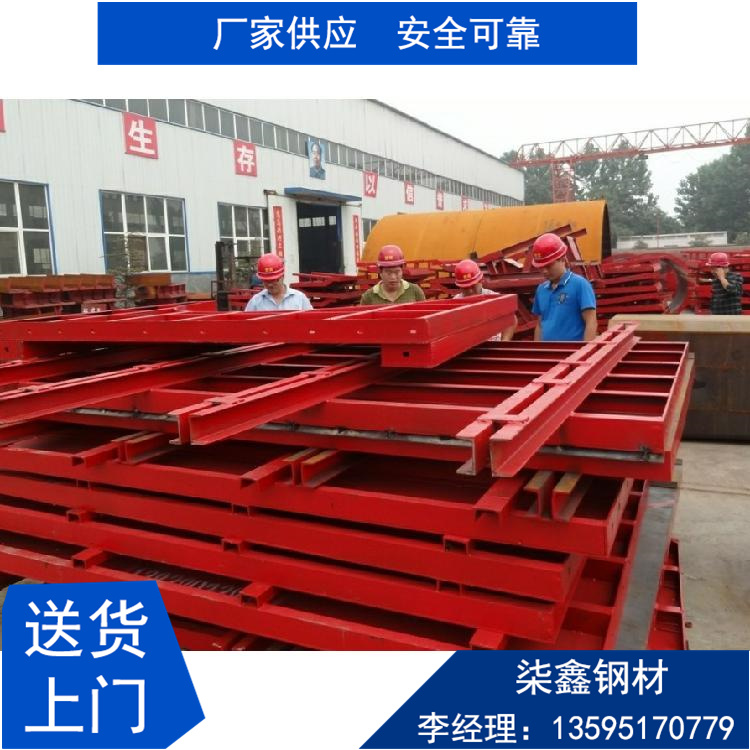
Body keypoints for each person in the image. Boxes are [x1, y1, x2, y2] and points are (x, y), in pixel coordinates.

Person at [530, 233, 597, 342]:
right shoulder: (541, 290)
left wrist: (586, 351)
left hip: (572, 351)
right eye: (541, 267)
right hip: (547, 352)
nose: (544, 271)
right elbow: (540, 325)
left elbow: (591, 322)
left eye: (548, 266)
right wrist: (537, 349)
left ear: (562, 259)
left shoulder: (580, 285)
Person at [453, 258, 516, 341]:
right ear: (460, 286)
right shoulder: (455, 304)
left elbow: (511, 319)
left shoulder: (494, 299)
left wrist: (504, 342)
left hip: (493, 347)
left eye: (473, 286)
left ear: (481, 280)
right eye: (466, 288)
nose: (470, 291)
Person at [360, 245, 426, 305]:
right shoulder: (368, 297)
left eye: (397, 272)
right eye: (388, 273)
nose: (393, 277)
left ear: (402, 270)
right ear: (380, 272)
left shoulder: (415, 291)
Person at [244, 253, 313, 311]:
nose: (270, 285)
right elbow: (246, 322)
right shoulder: (256, 301)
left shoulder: (299, 298)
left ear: (282, 276)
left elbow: (311, 320)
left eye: (274, 280)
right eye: (266, 281)